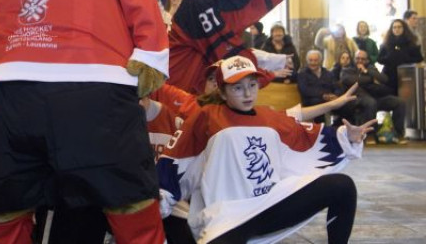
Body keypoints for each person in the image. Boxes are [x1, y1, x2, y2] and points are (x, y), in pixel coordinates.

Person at [159, 55, 374, 244]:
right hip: (228, 216)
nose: (247, 94)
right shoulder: (206, 118)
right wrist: (160, 198)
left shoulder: (270, 117)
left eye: (252, 85)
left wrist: (347, 136)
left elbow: (308, 136)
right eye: (237, 88)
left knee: (342, 186)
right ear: (223, 92)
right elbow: (177, 157)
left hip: (270, 203)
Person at [169, 0, 327, 93]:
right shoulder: (198, 2)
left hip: (185, 82)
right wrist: (263, 75)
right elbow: (228, 51)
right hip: (179, 83)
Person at [341, 49, 407, 145]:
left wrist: (366, 71)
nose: (360, 61)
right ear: (354, 59)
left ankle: (398, 133)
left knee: (399, 102)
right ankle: (369, 135)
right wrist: (371, 79)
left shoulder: (371, 68)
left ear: (367, 60)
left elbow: (384, 79)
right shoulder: (348, 69)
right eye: (357, 58)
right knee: (370, 103)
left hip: (375, 98)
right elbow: (349, 80)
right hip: (356, 99)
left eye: (363, 59)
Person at [297, 49, 372, 125]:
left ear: (320, 61)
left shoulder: (328, 73)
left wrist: (335, 95)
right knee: (318, 104)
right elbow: (305, 90)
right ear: (307, 61)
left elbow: (336, 87)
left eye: (315, 60)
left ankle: (342, 128)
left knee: (347, 104)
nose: (313, 63)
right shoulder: (302, 74)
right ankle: (322, 131)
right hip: (312, 101)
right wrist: (323, 95)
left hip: (330, 99)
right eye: (311, 60)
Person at [378, 18, 424, 94]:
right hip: (389, 76)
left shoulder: (412, 42)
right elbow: (379, 59)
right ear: (391, 29)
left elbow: (419, 58)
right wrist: (389, 58)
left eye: (399, 27)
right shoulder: (386, 44)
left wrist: (406, 59)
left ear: (404, 28)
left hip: (407, 74)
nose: (397, 29)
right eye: (394, 27)